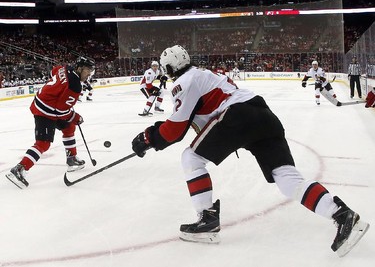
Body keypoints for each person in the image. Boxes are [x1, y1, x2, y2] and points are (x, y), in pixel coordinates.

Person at [132, 45, 369, 255]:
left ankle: (207, 219)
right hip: (264, 115)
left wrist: (148, 138)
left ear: (169, 68)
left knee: (191, 157)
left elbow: (175, 130)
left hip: (237, 117)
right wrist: (154, 136)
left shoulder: (184, 82)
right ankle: (342, 215)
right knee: (287, 178)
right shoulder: (204, 74)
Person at [6, 56, 96, 189]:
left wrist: (58, 92)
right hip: (45, 111)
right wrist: (75, 116)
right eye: (88, 70)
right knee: (43, 143)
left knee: (69, 127)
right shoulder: (74, 86)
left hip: (46, 104)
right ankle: (20, 168)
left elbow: (53, 71)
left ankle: (71, 159)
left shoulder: (65, 68)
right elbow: (61, 111)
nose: (89, 74)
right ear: (79, 68)